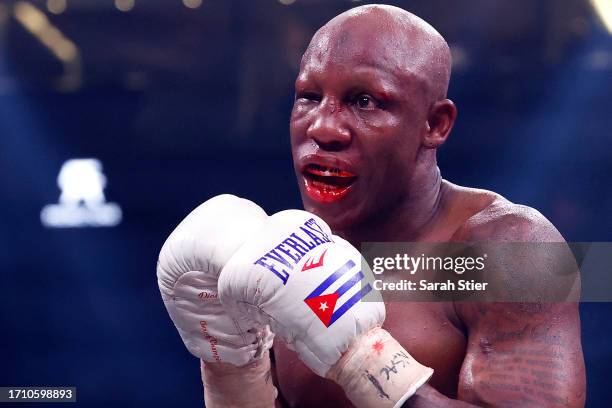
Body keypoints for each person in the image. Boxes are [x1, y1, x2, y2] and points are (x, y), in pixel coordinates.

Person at [157, 4, 585, 407]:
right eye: (308, 96)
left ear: (435, 124)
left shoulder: (506, 251)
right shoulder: (282, 257)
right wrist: (234, 373)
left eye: (365, 101)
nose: (323, 127)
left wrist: (365, 361)